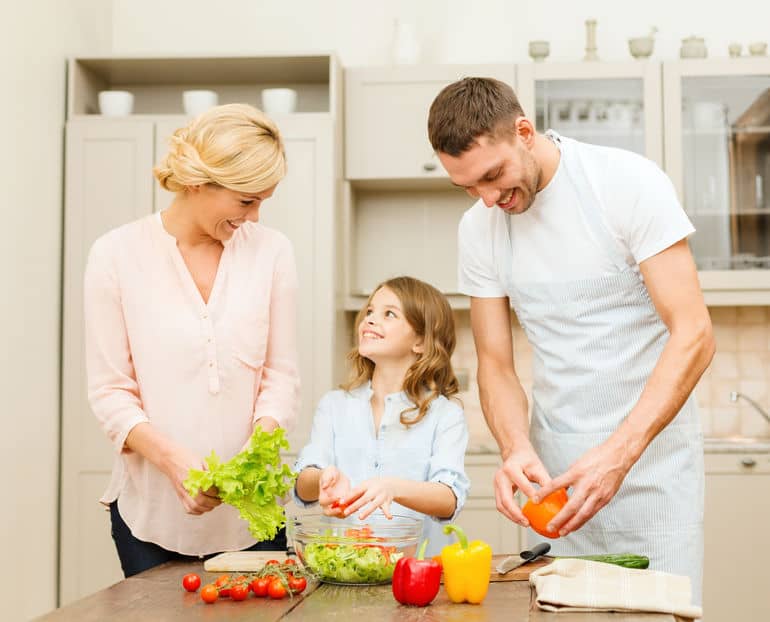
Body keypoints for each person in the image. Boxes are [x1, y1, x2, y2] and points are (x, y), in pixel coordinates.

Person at [427, 78, 715, 601]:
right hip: (554, 484)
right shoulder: (480, 228)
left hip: (652, 471)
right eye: (468, 187)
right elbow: (495, 363)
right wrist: (513, 447)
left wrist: (618, 457)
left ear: (524, 131)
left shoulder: (625, 183)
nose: (488, 200)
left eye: (493, 176)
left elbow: (694, 332)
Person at [84, 103, 300, 577]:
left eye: (264, 200)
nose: (256, 215)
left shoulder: (272, 252)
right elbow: (110, 392)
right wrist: (173, 461)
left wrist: (260, 444)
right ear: (199, 182)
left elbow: (280, 376)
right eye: (246, 200)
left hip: (253, 518)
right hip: (151, 517)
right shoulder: (115, 255)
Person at [292, 276, 470, 556]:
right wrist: (323, 478)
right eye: (370, 311)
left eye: (389, 313)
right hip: (347, 570)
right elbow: (303, 486)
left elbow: (449, 497)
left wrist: (393, 487)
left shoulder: (445, 415)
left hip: (417, 574)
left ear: (421, 342)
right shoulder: (334, 406)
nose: (370, 320)